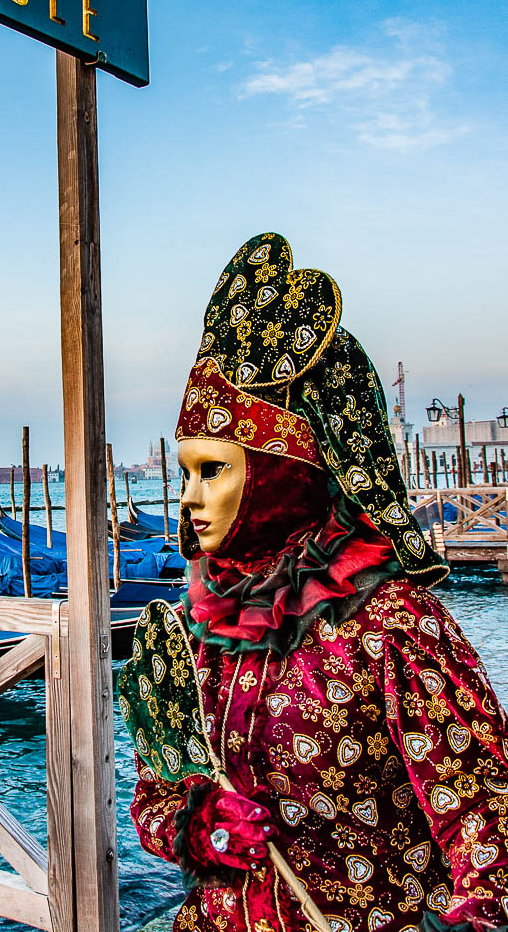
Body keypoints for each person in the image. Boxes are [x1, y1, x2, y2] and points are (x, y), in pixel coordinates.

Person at [124, 232, 508, 932]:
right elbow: (155, 787)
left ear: (283, 473)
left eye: (212, 470)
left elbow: (490, 823)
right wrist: (195, 822)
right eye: (183, 473)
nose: (187, 497)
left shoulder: (393, 626)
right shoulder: (204, 625)